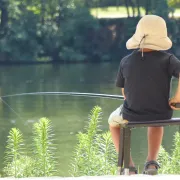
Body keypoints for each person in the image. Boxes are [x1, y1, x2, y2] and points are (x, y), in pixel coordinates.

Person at [108, 15, 180, 175]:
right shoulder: (168, 59)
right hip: (161, 113)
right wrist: (177, 99)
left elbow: (125, 93)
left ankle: (129, 166)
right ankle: (151, 162)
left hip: (132, 113)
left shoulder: (125, 61)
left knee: (113, 122)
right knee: (156, 122)